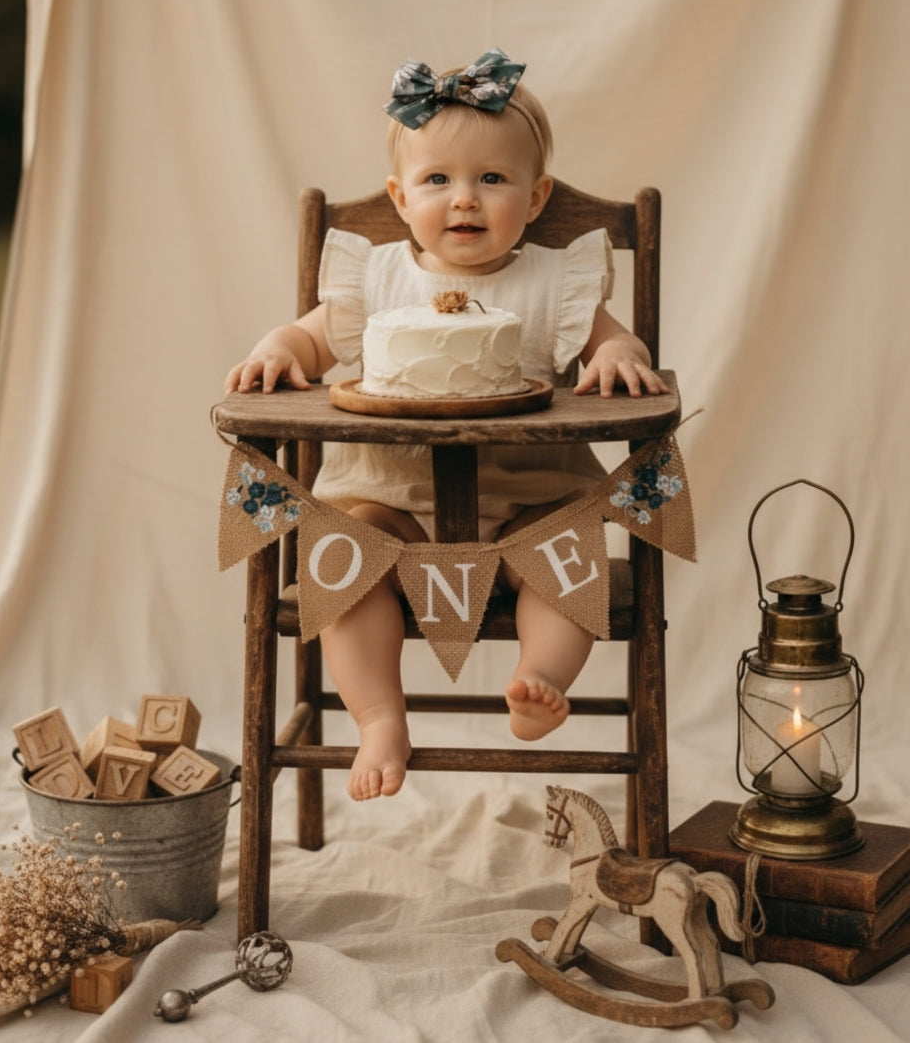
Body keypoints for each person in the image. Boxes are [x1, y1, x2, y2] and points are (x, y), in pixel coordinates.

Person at [225, 49, 669, 802]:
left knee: (572, 552)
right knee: (340, 556)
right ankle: (378, 715)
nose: (464, 200)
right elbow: (311, 339)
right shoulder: (376, 280)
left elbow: (612, 341)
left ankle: (541, 678)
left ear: (536, 198)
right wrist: (278, 349)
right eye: (439, 180)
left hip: (534, 496)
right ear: (400, 197)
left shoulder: (554, 283)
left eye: (492, 179)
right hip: (391, 496)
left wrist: (622, 357)